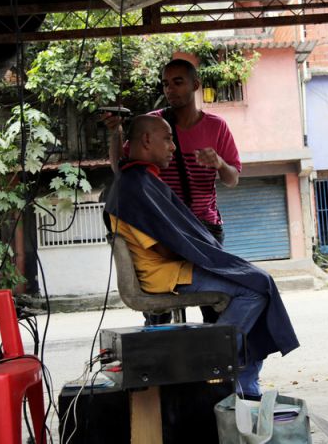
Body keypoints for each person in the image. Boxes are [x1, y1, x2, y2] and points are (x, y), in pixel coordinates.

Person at [105, 115, 299, 398]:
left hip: (177, 266)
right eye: (168, 139)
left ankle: (246, 385)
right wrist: (202, 252)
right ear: (146, 140)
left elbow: (172, 235)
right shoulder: (134, 186)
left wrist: (203, 250)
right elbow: (164, 247)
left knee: (257, 280)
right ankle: (209, 360)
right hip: (165, 274)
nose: (173, 147)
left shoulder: (142, 180)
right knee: (255, 290)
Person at [105, 58, 241, 323]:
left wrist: (219, 163)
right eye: (166, 84)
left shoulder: (216, 126)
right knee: (158, 313)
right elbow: (121, 168)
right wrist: (115, 133)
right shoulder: (154, 126)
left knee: (216, 308)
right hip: (164, 227)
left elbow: (232, 178)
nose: (170, 90)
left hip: (204, 228)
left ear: (195, 85)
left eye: (178, 82)